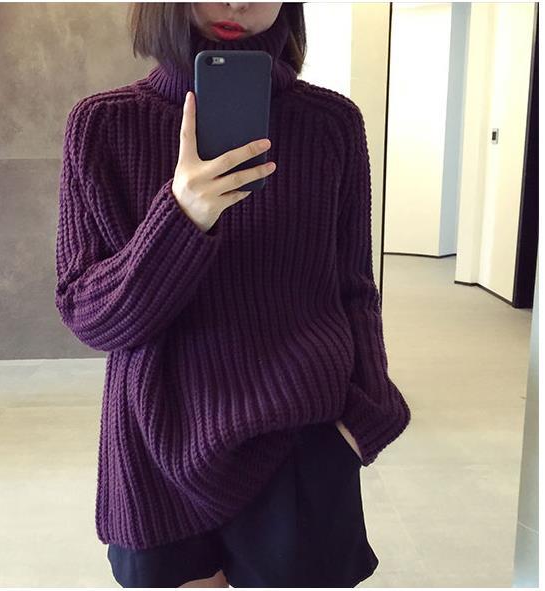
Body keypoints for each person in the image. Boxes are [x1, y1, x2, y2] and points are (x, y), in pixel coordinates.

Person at [54, 2, 411, 587]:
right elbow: (87, 312)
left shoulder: (331, 124)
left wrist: (369, 414)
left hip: (301, 438)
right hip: (156, 436)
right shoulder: (103, 125)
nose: (238, 2)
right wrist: (181, 217)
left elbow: (355, 289)